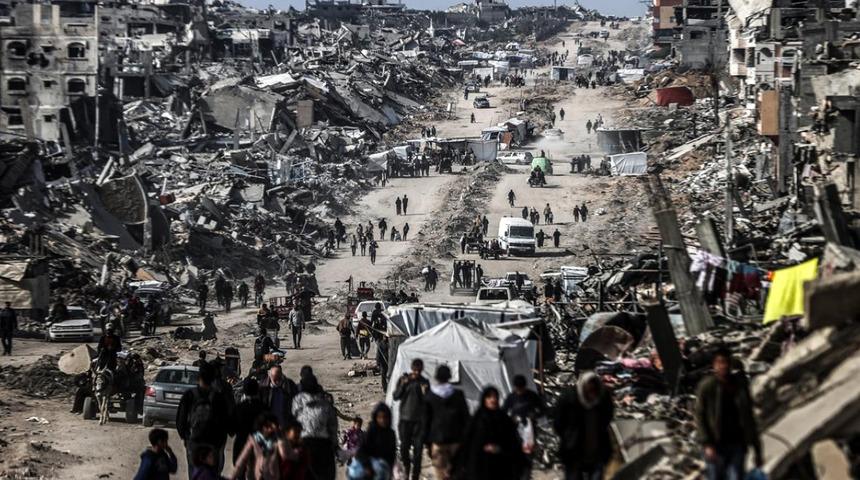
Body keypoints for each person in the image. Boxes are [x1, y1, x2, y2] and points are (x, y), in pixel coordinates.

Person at [695, 346, 762, 480]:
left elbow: (749, 416)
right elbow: (700, 416)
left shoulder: (739, 385)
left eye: (726, 362)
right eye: (720, 363)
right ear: (714, 365)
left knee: (736, 476)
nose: (723, 366)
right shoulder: (707, 386)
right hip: (716, 444)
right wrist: (707, 443)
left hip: (737, 442)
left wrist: (757, 449)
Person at [454, 387, 525, 480]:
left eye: (495, 397)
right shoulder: (476, 419)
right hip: (479, 467)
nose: (493, 400)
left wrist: (500, 448)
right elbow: (467, 443)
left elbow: (513, 442)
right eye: (489, 397)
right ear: (484, 399)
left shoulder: (504, 419)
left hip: (501, 466)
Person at [553, 372, 614, 480]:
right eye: (589, 391)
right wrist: (568, 437)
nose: (592, 395)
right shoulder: (569, 399)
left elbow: (608, 417)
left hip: (598, 452)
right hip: (573, 453)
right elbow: (558, 422)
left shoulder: (602, 399)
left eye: (594, 391)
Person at [176, 363, 232, 479]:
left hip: (194, 443)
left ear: (199, 377)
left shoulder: (189, 395)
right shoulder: (218, 397)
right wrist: (220, 442)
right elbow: (225, 421)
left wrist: (186, 438)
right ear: (213, 378)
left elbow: (180, 421)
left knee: (194, 474)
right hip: (213, 444)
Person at [423, 365, 470, 480]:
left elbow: (425, 422)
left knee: (440, 473)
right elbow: (465, 418)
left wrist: (427, 444)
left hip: (438, 441)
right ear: (449, 376)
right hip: (455, 440)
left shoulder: (429, 397)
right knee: (456, 472)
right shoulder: (458, 395)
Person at [292, 375, 338, 480]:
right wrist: (335, 446)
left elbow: (292, 422)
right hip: (323, 445)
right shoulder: (326, 405)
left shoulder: (297, 403)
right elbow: (332, 428)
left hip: (305, 444)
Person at [394, 359, 430, 480]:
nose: (416, 373)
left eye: (418, 370)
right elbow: (396, 396)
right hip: (405, 420)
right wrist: (403, 384)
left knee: (418, 451)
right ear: (411, 368)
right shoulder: (405, 380)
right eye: (415, 370)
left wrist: (425, 393)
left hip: (419, 422)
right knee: (404, 448)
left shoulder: (424, 382)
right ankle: (407, 468)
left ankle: (415, 476)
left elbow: (429, 403)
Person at [232, 412, 288, 480]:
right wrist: (233, 476)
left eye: (272, 427)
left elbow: (285, 455)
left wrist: (280, 435)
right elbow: (242, 460)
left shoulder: (277, 441)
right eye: (267, 426)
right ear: (261, 426)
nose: (270, 429)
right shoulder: (253, 440)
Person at [350, 403, 397, 480]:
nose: (383, 420)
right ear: (375, 418)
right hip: (368, 467)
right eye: (380, 417)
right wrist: (368, 466)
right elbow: (360, 452)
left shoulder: (391, 434)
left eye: (385, 417)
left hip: (383, 469)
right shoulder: (371, 431)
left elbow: (392, 456)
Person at [233, 379, 267, 471]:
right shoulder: (263, 408)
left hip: (241, 443)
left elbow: (232, 429)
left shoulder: (239, 407)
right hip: (259, 445)